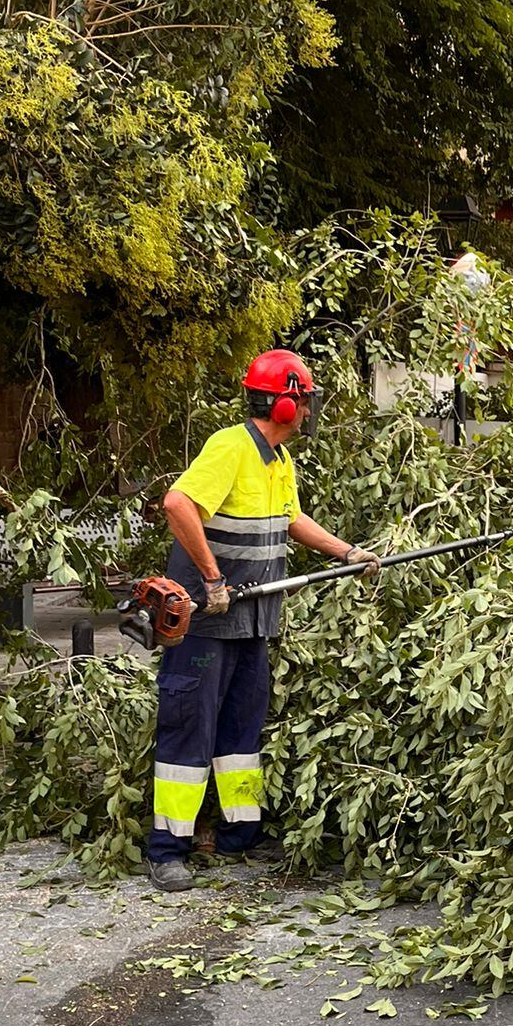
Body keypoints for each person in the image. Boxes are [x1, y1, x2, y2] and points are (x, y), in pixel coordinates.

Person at [147, 350, 380, 892]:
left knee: (240, 731)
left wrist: (346, 554)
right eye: (302, 401)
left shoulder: (278, 460)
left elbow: (291, 518)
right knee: (190, 728)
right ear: (281, 404)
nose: (306, 411)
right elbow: (177, 503)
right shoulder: (231, 447)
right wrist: (211, 578)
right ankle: (167, 850)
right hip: (206, 622)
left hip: (253, 621)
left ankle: (237, 835)